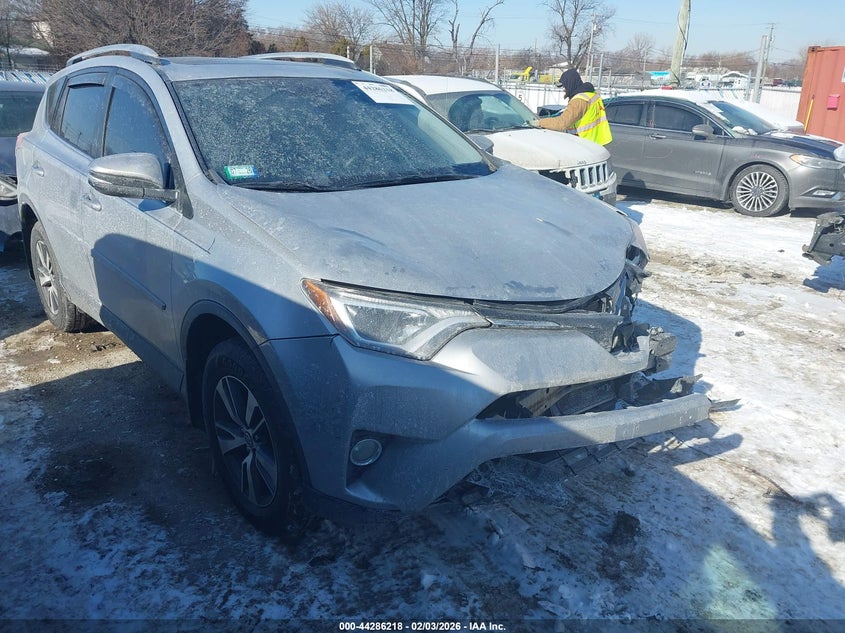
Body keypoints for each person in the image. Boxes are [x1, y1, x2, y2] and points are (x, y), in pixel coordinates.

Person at [538, 68, 612, 145]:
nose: (564, 90)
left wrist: (540, 122)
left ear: (570, 84)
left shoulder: (579, 100)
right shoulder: (591, 94)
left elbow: (562, 123)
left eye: (564, 86)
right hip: (596, 141)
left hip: (585, 143)